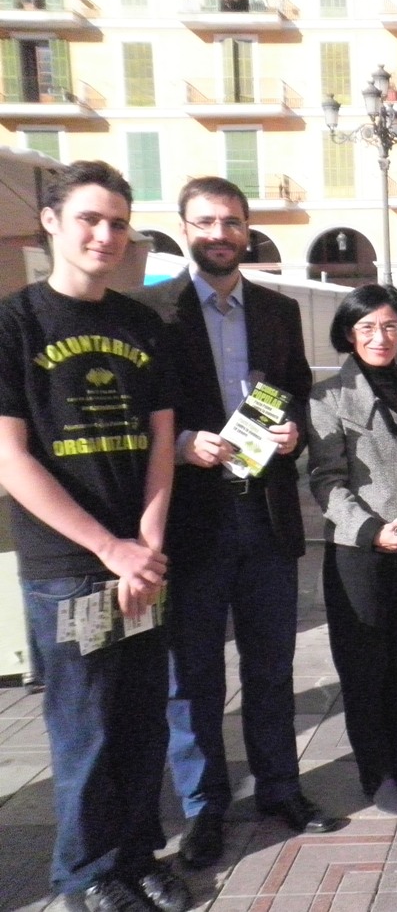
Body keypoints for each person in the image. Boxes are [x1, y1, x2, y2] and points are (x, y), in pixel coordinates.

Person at [131, 177, 338, 870]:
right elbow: (140, 414)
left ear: (248, 230)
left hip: (266, 516)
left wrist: (292, 435)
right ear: (184, 226)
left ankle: (280, 787)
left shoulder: (278, 312)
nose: (219, 233)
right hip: (190, 519)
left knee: (272, 663)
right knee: (192, 678)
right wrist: (183, 443)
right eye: (205, 221)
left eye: (231, 222)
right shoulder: (152, 311)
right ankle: (204, 808)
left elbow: (300, 396)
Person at [0, 161, 189, 912]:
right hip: (68, 570)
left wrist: (143, 546)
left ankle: (138, 856)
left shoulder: (141, 323)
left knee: (144, 721)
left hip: (142, 563)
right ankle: (83, 875)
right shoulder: (16, 322)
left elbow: (161, 443)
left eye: (118, 221)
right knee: (86, 731)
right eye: (90, 218)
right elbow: (11, 457)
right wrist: (109, 549)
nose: (106, 234)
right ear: (52, 222)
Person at [309, 284, 397, 815]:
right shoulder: (328, 398)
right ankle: (375, 771)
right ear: (348, 334)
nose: (380, 337)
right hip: (358, 552)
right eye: (367, 328)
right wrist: (369, 531)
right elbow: (325, 479)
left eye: (389, 326)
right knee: (364, 666)